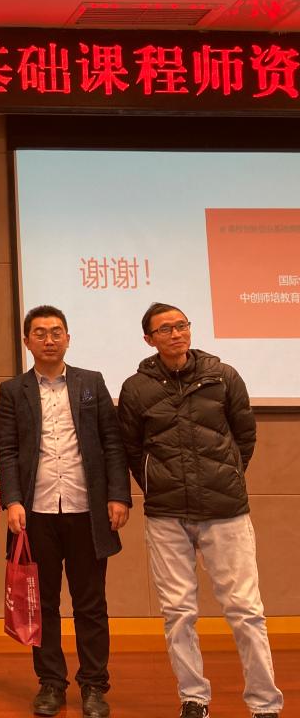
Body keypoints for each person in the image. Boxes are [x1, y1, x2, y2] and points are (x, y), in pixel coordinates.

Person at [117, 303, 283, 718]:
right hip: (166, 515)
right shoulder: (136, 388)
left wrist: (226, 476)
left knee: (245, 611)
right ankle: (193, 698)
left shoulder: (223, 376)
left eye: (181, 325)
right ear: (148, 339)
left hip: (225, 510)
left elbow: (244, 436)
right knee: (178, 613)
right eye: (165, 329)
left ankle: (264, 704)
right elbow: (131, 449)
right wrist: (158, 483)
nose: (176, 333)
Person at [0, 305, 130, 718]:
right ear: (27, 341)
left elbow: (112, 442)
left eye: (56, 332)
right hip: (35, 512)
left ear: (68, 338)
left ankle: (94, 686)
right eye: (40, 333)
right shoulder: (12, 390)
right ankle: (51, 683)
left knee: (91, 604)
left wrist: (119, 495)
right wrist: (12, 501)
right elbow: (6, 450)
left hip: (86, 510)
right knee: (43, 604)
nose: (49, 339)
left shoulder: (91, 382)